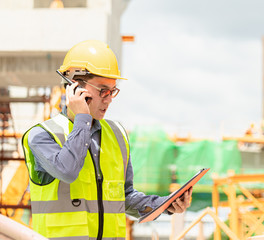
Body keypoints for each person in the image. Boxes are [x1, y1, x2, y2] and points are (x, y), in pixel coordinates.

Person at [22, 40, 192, 239]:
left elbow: (124, 197)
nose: (109, 98)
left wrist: (163, 205)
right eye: (103, 90)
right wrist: (82, 118)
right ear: (75, 88)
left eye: (113, 91)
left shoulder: (117, 134)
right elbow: (67, 171)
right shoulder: (41, 135)